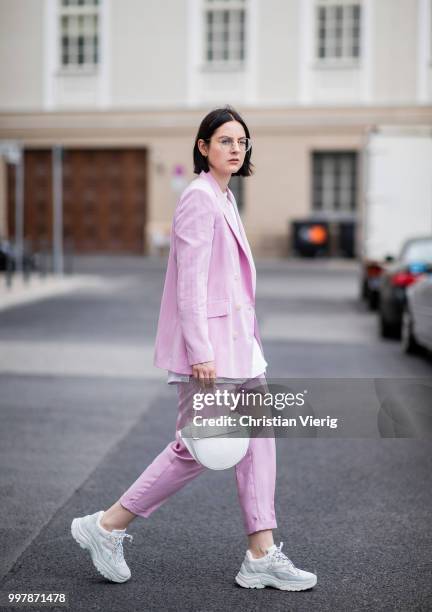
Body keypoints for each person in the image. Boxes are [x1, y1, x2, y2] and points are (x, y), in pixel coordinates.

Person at [71, 105, 317, 592]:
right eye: (225, 140)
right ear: (203, 147)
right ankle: (106, 526)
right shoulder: (199, 198)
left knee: (258, 444)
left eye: (241, 142)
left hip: (241, 349)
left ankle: (261, 553)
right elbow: (190, 286)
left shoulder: (225, 198)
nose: (235, 148)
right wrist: (201, 351)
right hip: (213, 354)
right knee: (197, 448)